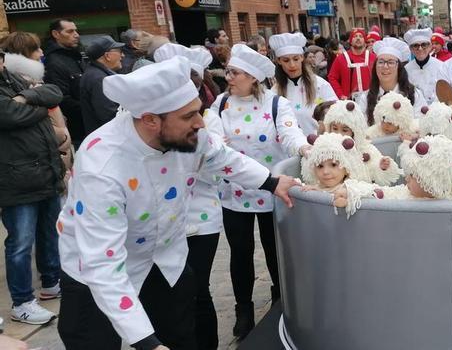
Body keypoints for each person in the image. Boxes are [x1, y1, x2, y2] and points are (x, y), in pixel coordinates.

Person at [57, 57, 300, 350]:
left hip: (165, 257)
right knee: (92, 341)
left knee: (182, 334)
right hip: (96, 272)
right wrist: (147, 343)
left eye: (198, 112)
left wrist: (272, 183)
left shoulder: (191, 134)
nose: (200, 123)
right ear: (150, 120)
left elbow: (223, 158)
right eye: (188, 117)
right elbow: (103, 264)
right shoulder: (102, 166)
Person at [210, 44, 308, 339]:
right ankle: (243, 309)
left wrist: (304, 148)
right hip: (234, 192)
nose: (229, 77)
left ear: (253, 77)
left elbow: (290, 133)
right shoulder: (219, 104)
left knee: (274, 250)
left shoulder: (276, 104)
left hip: (272, 190)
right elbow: (212, 136)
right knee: (240, 252)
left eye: (235, 73)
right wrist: (216, 140)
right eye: (228, 71)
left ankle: (280, 302)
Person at [151, 43, 222, 349]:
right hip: (161, 223)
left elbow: (221, 161)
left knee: (197, 288)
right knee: (168, 293)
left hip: (201, 216)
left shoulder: (208, 119)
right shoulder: (150, 120)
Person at [0, 48, 65, 326]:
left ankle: (52, 282)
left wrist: (26, 97)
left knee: (51, 232)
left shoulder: (14, 79)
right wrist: (38, 107)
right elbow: (9, 115)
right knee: (20, 243)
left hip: (45, 172)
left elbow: (54, 92)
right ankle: (22, 302)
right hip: (16, 179)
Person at [338, 135, 452, 215]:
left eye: (412, 176)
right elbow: (379, 192)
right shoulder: (405, 193)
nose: (406, 179)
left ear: (432, 179)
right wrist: (352, 192)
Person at [1, 33, 73, 172]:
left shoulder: (32, 80)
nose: (41, 53)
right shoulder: (19, 82)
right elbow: (16, 116)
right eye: (36, 49)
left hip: (50, 162)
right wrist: (62, 136)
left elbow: (55, 93)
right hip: (40, 164)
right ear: (23, 53)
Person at [270, 33, 338, 136]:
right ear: (279, 61)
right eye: (286, 60)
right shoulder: (274, 92)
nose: (292, 65)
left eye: (296, 59)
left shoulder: (320, 85)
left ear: (302, 57)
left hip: (319, 145)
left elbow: (337, 114)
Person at [323, 100, 402, 186]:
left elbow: (376, 170)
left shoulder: (365, 149)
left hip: (361, 195)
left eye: (345, 130)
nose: (339, 134)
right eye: (334, 128)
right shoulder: (324, 149)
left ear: (354, 131)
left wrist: (382, 167)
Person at [356, 37, 426, 119]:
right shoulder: (366, 97)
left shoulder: (414, 95)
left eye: (391, 62)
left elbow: (421, 123)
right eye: (381, 62)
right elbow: (362, 126)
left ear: (399, 67)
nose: (385, 66)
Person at [43, 18, 86, 146]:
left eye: (76, 31)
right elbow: (61, 99)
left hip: (85, 128)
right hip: (75, 132)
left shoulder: (74, 56)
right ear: (56, 34)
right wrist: (90, 107)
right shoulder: (54, 62)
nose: (76, 35)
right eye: (70, 31)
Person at [80, 35, 126, 135]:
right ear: (107, 56)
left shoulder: (96, 74)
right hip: (109, 138)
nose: (122, 56)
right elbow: (110, 115)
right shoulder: (99, 79)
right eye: (119, 51)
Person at [327, 28, 374, 99]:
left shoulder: (373, 58)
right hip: (348, 102)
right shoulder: (341, 58)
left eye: (361, 36)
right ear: (350, 41)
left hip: (370, 99)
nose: (358, 38)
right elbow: (332, 77)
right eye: (355, 36)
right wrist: (340, 94)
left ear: (364, 41)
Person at [404, 28, 444, 105]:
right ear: (411, 49)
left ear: (430, 46)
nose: (420, 49)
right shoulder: (406, 69)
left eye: (424, 45)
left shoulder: (441, 66)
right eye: (415, 45)